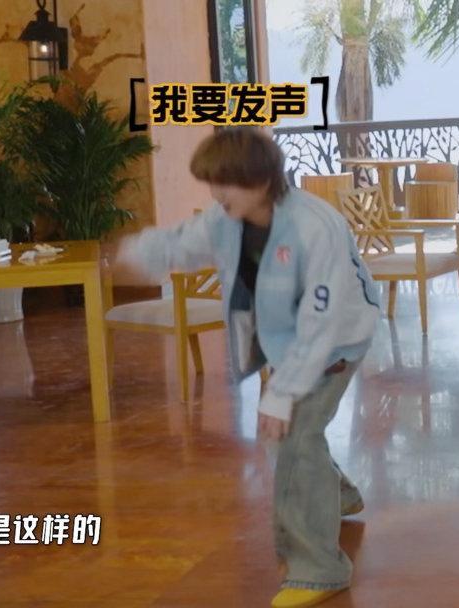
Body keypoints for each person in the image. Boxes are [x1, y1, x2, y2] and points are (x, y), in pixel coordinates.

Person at [118, 128, 380, 608]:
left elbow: (319, 323)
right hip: (282, 339)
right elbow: (181, 242)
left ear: (260, 180)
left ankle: (319, 570)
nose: (216, 195)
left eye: (226, 184)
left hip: (336, 340)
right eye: (212, 183)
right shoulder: (226, 218)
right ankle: (335, 494)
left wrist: (282, 392)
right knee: (292, 435)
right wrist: (135, 251)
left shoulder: (315, 226)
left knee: (293, 434)